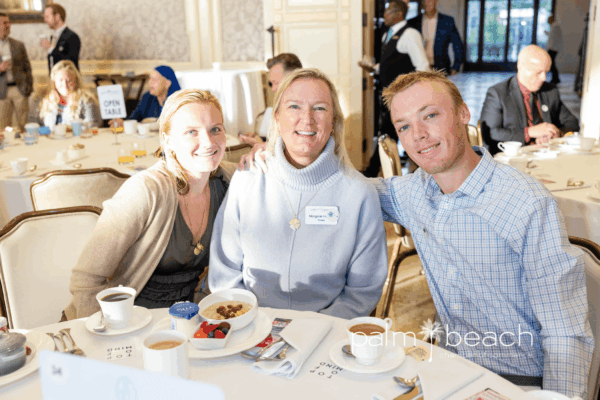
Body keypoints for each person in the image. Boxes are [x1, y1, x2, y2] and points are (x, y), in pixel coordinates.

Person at [372, 70, 592, 397]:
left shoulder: (526, 203)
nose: (417, 135)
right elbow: (342, 189)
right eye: (404, 126)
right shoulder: (412, 192)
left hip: (516, 379)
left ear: (463, 113)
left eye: (430, 115)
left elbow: (564, 331)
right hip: (450, 367)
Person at [209, 68, 388, 319]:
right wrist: (253, 325)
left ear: (334, 122)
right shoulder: (247, 179)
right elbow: (224, 275)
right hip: (249, 326)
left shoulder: (359, 194)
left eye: (320, 108)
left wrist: (312, 332)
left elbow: (362, 292)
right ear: (277, 118)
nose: (307, 119)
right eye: (294, 106)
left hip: (329, 332)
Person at [64, 89, 236, 319]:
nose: (208, 142)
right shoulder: (146, 191)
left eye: (215, 129)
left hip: (181, 321)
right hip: (119, 322)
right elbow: (86, 281)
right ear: (168, 141)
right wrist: (105, 337)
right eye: (191, 132)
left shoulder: (228, 181)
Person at [358, 0, 429, 177]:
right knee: (390, 134)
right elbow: (390, 65)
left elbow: (422, 66)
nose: (384, 15)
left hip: (403, 98)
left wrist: (418, 96)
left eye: (388, 11)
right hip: (387, 97)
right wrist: (373, 68)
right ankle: (377, 171)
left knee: (391, 134)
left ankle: (371, 172)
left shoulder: (410, 34)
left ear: (398, 14)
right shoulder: (387, 35)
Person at [480, 45, 579, 155]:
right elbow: (490, 133)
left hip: (545, 156)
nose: (544, 78)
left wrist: (555, 133)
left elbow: (572, 122)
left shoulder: (550, 91)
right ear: (521, 67)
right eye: (538, 72)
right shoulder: (498, 93)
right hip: (511, 158)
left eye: (547, 72)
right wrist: (529, 133)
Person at [238, 53, 302, 146]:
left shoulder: (304, 111)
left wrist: (264, 145)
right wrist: (261, 140)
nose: (273, 89)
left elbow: (296, 150)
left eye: (276, 83)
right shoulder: (283, 106)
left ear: (292, 78)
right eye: (271, 84)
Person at [28, 60, 101, 129]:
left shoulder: (87, 100)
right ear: (54, 81)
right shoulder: (41, 99)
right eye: (61, 80)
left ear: (76, 81)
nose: (65, 84)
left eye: (68, 80)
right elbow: (32, 123)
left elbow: (94, 124)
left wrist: (71, 129)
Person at [110, 65, 181, 127]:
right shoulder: (147, 98)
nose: (150, 82)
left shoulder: (178, 101)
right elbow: (134, 118)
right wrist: (122, 123)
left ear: (167, 84)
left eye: (154, 80)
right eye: (150, 79)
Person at [407, 0, 464, 75]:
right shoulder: (413, 22)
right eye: (424, 1)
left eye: (429, 1)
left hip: (441, 67)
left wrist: (456, 67)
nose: (427, 3)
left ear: (436, 2)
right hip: (417, 68)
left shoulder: (447, 21)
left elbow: (457, 45)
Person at [0, 12, 33, 133]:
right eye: (4, 23)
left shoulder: (18, 45)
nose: (8, 25)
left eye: (9, 22)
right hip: (1, 93)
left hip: (19, 89)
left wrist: (28, 88)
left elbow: (27, 68)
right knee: (4, 127)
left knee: (23, 126)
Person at [41, 3, 80, 71]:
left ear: (57, 17)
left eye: (47, 17)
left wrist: (50, 48)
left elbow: (70, 62)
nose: (45, 20)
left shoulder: (72, 36)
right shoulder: (52, 37)